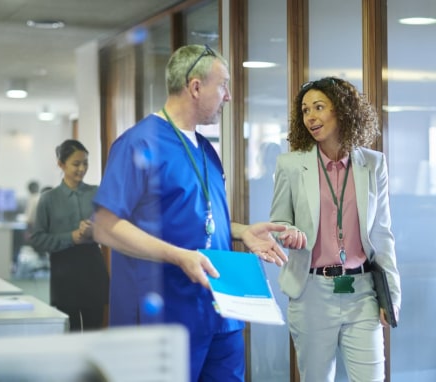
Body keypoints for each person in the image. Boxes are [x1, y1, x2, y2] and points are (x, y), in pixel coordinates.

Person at [92, 44, 301, 382]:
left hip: (221, 312)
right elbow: (105, 227)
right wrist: (179, 256)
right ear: (195, 86)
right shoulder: (139, 144)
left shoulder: (205, 149)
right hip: (166, 319)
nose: (228, 96)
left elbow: (194, 217)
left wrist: (241, 231)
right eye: (223, 85)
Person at [270, 77, 401, 381]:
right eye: (305, 111)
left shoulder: (373, 164)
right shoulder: (291, 165)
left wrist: (391, 296)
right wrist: (287, 233)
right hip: (311, 292)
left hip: (362, 293)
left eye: (319, 107)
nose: (311, 117)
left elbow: (382, 234)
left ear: (342, 111)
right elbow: (279, 222)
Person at [30, 139, 109, 332]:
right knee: (69, 333)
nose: (82, 168)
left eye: (85, 163)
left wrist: (95, 232)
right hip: (64, 274)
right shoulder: (48, 199)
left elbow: (112, 230)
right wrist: (71, 237)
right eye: (76, 164)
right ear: (61, 164)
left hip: (93, 270)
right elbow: (37, 240)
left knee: (95, 332)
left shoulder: (97, 193)